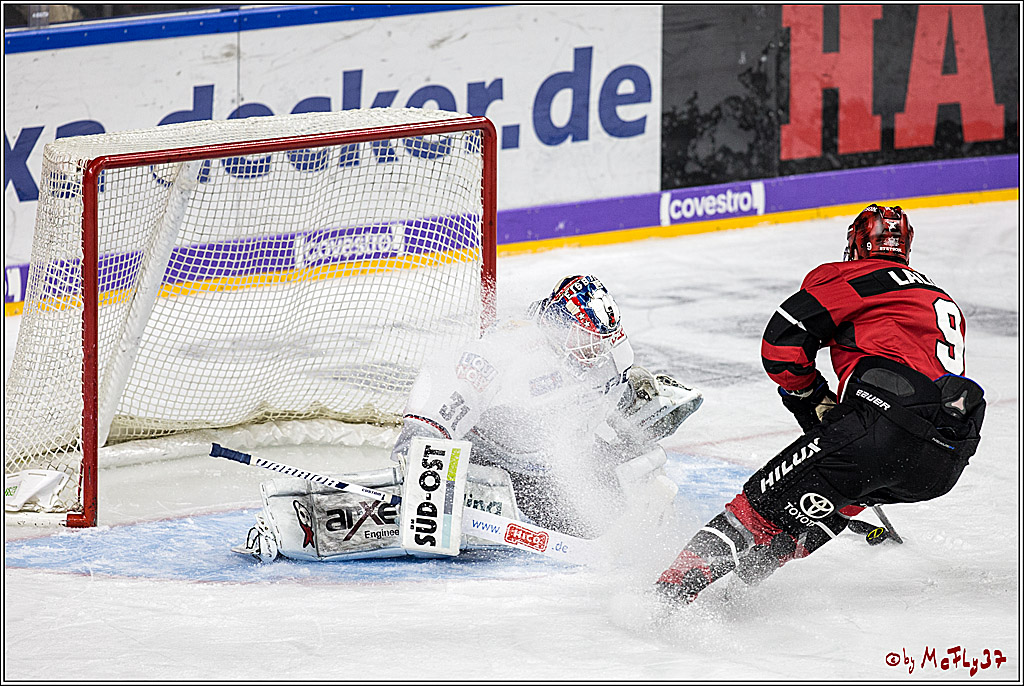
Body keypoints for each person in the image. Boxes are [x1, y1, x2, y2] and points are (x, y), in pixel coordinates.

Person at [236, 274, 703, 561]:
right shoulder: (504, 351)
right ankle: (296, 521)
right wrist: (418, 458)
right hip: (489, 466)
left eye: (605, 341)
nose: (598, 352)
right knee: (436, 527)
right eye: (588, 341)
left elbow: (616, 396)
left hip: (552, 466)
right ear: (559, 326)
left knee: (615, 507)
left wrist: (645, 402)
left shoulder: (605, 350)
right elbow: (441, 399)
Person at [654, 204, 986, 604]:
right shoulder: (938, 298)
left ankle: (661, 599)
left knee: (756, 509)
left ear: (858, 243)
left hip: (882, 429)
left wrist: (808, 394)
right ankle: (747, 582)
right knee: (845, 491)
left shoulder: (854, 276)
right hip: (944, 461)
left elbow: (782, 341)